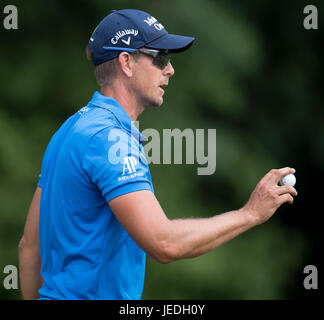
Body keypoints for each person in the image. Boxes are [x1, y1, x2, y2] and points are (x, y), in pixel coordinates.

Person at [18, 9, 297, 300]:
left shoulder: (69, 129)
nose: (170, 69)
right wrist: (249, 214)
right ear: (126, 62)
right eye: (161, 57)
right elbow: (164, 244)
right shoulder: (109, 138)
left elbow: (29, 247)